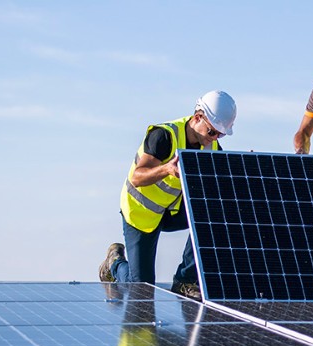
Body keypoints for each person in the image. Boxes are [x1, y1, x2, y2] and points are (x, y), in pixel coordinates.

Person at [100, 90, 234, 300]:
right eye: (212, 132)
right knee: (141, 289)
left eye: (220, 134)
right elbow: (137, 176)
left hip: (171, 210)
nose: (215, 138)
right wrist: (166, 170)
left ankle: (185, 279)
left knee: (214, 211)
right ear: (197, 117)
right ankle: (115, 264)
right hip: (141, 213)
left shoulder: (212, 147)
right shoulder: (164, 136)